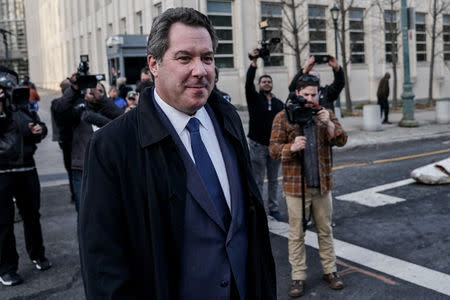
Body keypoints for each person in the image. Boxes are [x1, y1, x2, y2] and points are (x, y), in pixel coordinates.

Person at [79, 7, 276, 299]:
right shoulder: (112, 146)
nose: (200, 70)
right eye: (185, 58)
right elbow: (103, 265)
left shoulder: (228, 119)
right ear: (154, 64)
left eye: (207, 58)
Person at [269, 75, 347, 298]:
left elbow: (341, 140)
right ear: (297, 94)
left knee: (325, 230)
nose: (311, 99)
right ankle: (298, 277)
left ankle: (330, 272)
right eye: (306, 95)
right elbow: (273, 150)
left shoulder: (326, 113)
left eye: (314, 94)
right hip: (295, 187)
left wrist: (329, 123)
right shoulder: (283, 117)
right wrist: (291, 147)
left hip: (322, 185)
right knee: (296, 234)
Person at [0, 68, 51, 286]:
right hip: (2, 172)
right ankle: (7, 268)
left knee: (32, 216)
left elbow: (39, 128)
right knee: (3, 224)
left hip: (27, 169)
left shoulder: (22, 105)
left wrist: (39, 129)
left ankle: (37, 254)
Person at [53, 81, 122, 211]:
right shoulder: (78, 111)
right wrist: (74, 89)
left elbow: (122, 117)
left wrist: (102, 99)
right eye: (90, 90)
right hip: (82, 169)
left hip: (108, 170)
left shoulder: (109, 111)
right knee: (85, 212)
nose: (94, 93)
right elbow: (61, 109)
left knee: (110, 211)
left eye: (99, 91)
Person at [245, 48, 284, 221]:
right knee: (258, 180)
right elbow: (248, 82)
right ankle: (259, 211)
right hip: (257, 146)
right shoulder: (254, 98)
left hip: (274, 147)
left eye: (269, 81)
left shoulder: (279, 103)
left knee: (274, 180)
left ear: (272, 84)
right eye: (263, 81)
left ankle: (274, 208)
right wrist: (254, 62)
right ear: (259, 85)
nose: (266, 83)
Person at [51, 78, 75, 203]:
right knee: (72, 169)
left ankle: (74, 193)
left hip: (66, 141)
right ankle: (74, 193)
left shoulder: (58, 103)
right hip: (68, 140)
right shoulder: (59, 105)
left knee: (71, 170)